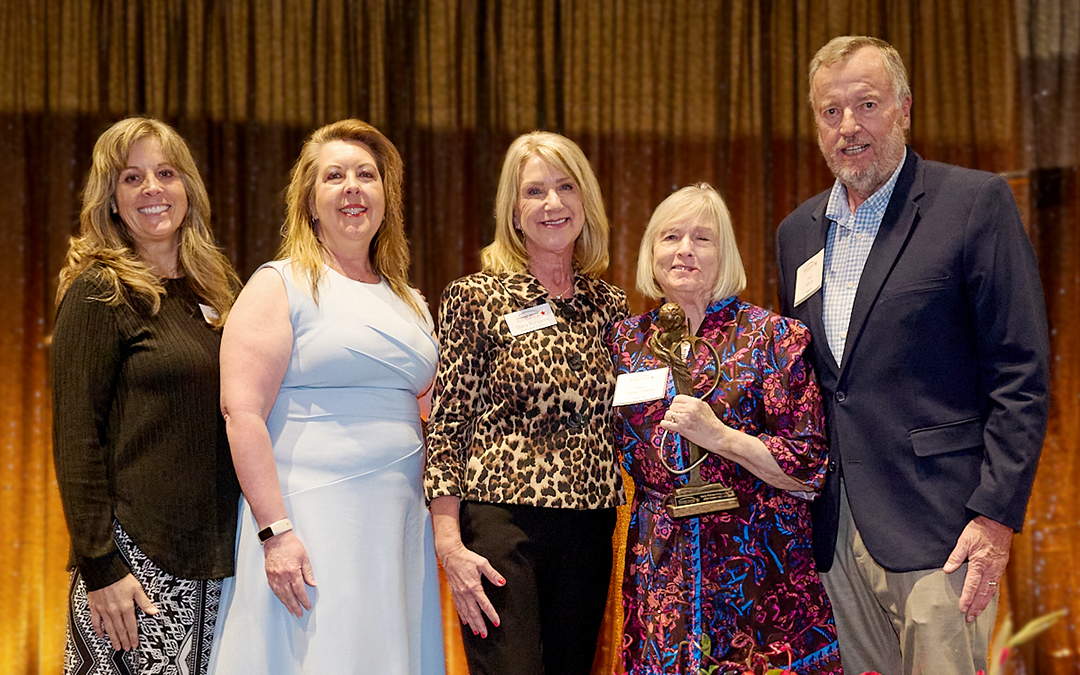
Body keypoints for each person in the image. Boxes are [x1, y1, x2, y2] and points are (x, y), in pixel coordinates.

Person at [776, 36, 1050, 675]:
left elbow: (1021, 373)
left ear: (903, 108)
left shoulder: (972, 204)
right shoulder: (797, 233)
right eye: (830, 112)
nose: (849, 127)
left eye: (866, 105)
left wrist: (995, 516)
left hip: (942, 531)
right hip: (832, 533)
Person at [208, 119, 445, 674]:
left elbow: (436, 416)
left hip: (397, 523)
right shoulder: (278, 284)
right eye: (334, 176)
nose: (353, 188)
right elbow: (241, 414)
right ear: (309, 202)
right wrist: (276, 532)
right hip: (308, 519)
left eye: (367, 175)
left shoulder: (411, 302)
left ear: (386, 196)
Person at [612, 183, 842, 675]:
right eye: (670, 237)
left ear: (726, 253)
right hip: (661, 573)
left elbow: (810, 467)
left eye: (703, 239)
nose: (684, 251)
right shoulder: (625, 342)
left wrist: (722, 438)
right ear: (651, 250)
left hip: (759, 574)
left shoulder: (773, 338)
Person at [425, 131, 628, 675]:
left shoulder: (609, 304)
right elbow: (448, 424)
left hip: (590, 524)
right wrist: (448, 540)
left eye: (566, 187)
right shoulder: (475, 296)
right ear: (513, 212)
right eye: (534, 191)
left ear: (586, 200)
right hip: (502, 520)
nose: (553, 204)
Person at [51, 117, 241, 674]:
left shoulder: (216, 293)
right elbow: (75, 438)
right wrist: (100, 568)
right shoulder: (98, 291)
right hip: (133, 568)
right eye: (132, 178)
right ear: (111, 201)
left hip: (216, 566)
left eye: (165, 173)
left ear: (189, 188)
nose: (153, 189)